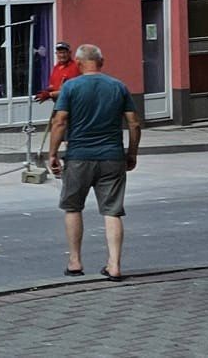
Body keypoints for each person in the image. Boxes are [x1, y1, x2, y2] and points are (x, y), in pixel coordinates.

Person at [46, 43, 142, 280]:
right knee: (112, 211)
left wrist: (52, 154)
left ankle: (75, 261)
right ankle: (114, 265)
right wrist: (132, 153)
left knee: (73, 207)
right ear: (102, 61)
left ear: (78, 63)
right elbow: (134, 123)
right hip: (112, 157)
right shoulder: (118, 87)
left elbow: (59, 122)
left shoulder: (71, 87)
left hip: (79, 157)